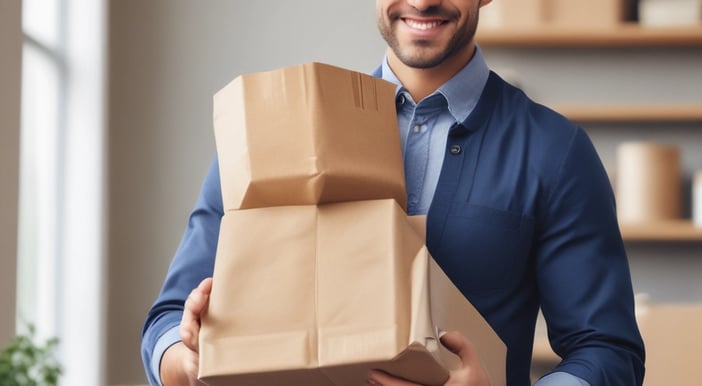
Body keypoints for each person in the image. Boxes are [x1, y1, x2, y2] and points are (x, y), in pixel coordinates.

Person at [141, 0, 646, 385]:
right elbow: (166, 322)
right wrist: (188, 360)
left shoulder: (555, 151)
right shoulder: (273, 128)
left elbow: (607, 351)